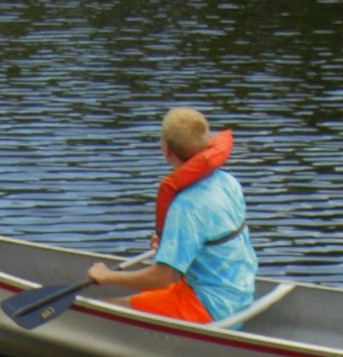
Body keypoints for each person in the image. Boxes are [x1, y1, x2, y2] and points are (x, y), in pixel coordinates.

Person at [84, 106, 256, 324]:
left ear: (166, 150)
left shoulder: (185, 206)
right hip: (241, 296)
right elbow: (211, 238)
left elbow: (162, 278)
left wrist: (107, 276)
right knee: (140, 299)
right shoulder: (228, 182)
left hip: (209, 308)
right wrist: (171, 244)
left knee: (109, 308)